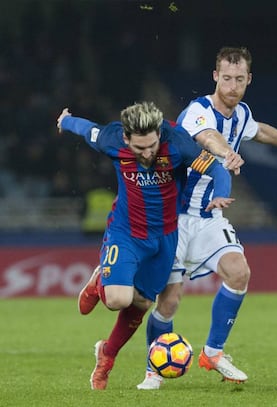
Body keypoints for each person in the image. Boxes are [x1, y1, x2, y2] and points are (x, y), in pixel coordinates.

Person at [135, 46, 277, 389]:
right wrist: (228, 153)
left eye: (239, 79)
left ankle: (213, 352)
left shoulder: (241, 114)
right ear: (215, 77)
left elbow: (259, 130)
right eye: (226, 78)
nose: (232, 86)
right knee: (170, 299)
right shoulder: (198, 111)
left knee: (239, 273)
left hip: (210, 216)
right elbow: (208, 138)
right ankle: (153, 369)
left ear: (248, 79)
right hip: (175, 217)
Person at [56, 101, 236, 390]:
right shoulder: (112, 139)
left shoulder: (178, 144)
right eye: (140, 149)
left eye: (152, 146)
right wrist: (66, 121)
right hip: (126, 232)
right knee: (117, 299)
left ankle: (107, 355)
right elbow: (88, 129)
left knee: (140, 304)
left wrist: (221, 194)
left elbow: (217, 170)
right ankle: (101, 278)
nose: (148, 153)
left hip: (165, 238)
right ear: (126, 139)